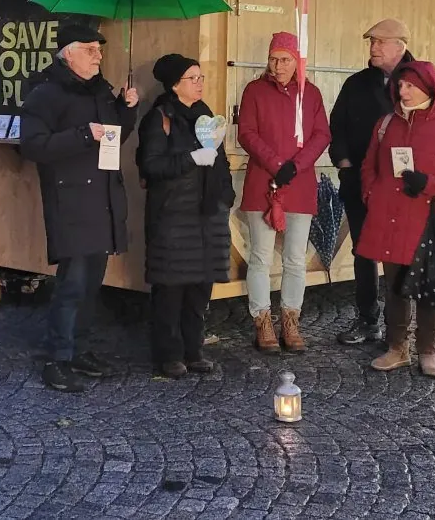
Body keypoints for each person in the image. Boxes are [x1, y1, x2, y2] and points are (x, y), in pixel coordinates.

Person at [20, 24, 139, 393]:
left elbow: (116, 135)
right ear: (67, 53)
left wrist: (125, 108)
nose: (98, 55)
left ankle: (80, 349)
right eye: (90, 49)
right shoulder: (45, 94)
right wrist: (84, 134)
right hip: (70, 200)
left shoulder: (101, 91)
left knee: (91, 285)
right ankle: (58, 358)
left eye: (99, 50)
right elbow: (33, 146)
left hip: (102, 198)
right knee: (71, 285)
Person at [356, 61, 435, 378]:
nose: (401, 91)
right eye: (400, 85)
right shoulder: (385, 124)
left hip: (427, 220)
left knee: (427, 287)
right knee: (394, 286)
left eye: (408, 85)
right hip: (389, 218)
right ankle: (396, 348)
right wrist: (371, 194)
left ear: (427, 88)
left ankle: (427, 351)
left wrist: (430, 185)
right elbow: (369, 166)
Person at [136, 54, 233, 378]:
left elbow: (220, 160)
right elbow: (152, 165)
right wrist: (192, 157)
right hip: (173, 216)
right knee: (171, 287)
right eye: (193, 78)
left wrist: (226, 194)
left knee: (198, 288)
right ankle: (169, 354)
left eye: (202, 77)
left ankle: (194, 350)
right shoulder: (160, 118)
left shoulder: (206, 116)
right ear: (175, 83)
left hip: (207, 215)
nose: (201, 83)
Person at [237, 32, 330, 353]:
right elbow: (246, 133)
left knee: (295, 259)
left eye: (285, 60)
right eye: (273, 59)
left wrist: (296, 164)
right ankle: (262, 320)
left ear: (297, 62)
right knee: (260, 257)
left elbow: (321, 135)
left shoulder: (312, 94)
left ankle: (291, 319)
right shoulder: (254, 91)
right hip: (264, 179)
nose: (278, 66)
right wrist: (277, 163)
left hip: (300, 182)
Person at [330, 19, 415, 346]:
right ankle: (367, 320)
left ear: (400, 46)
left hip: (400, 188)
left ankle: (401, 331)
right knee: (364, 253)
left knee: (402, 256)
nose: (373, 47)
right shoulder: (357, 83)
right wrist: (345, 165)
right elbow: (336, 127)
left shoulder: (418, 80)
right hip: (358, 184)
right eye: (371, 42)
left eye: (381, 42)